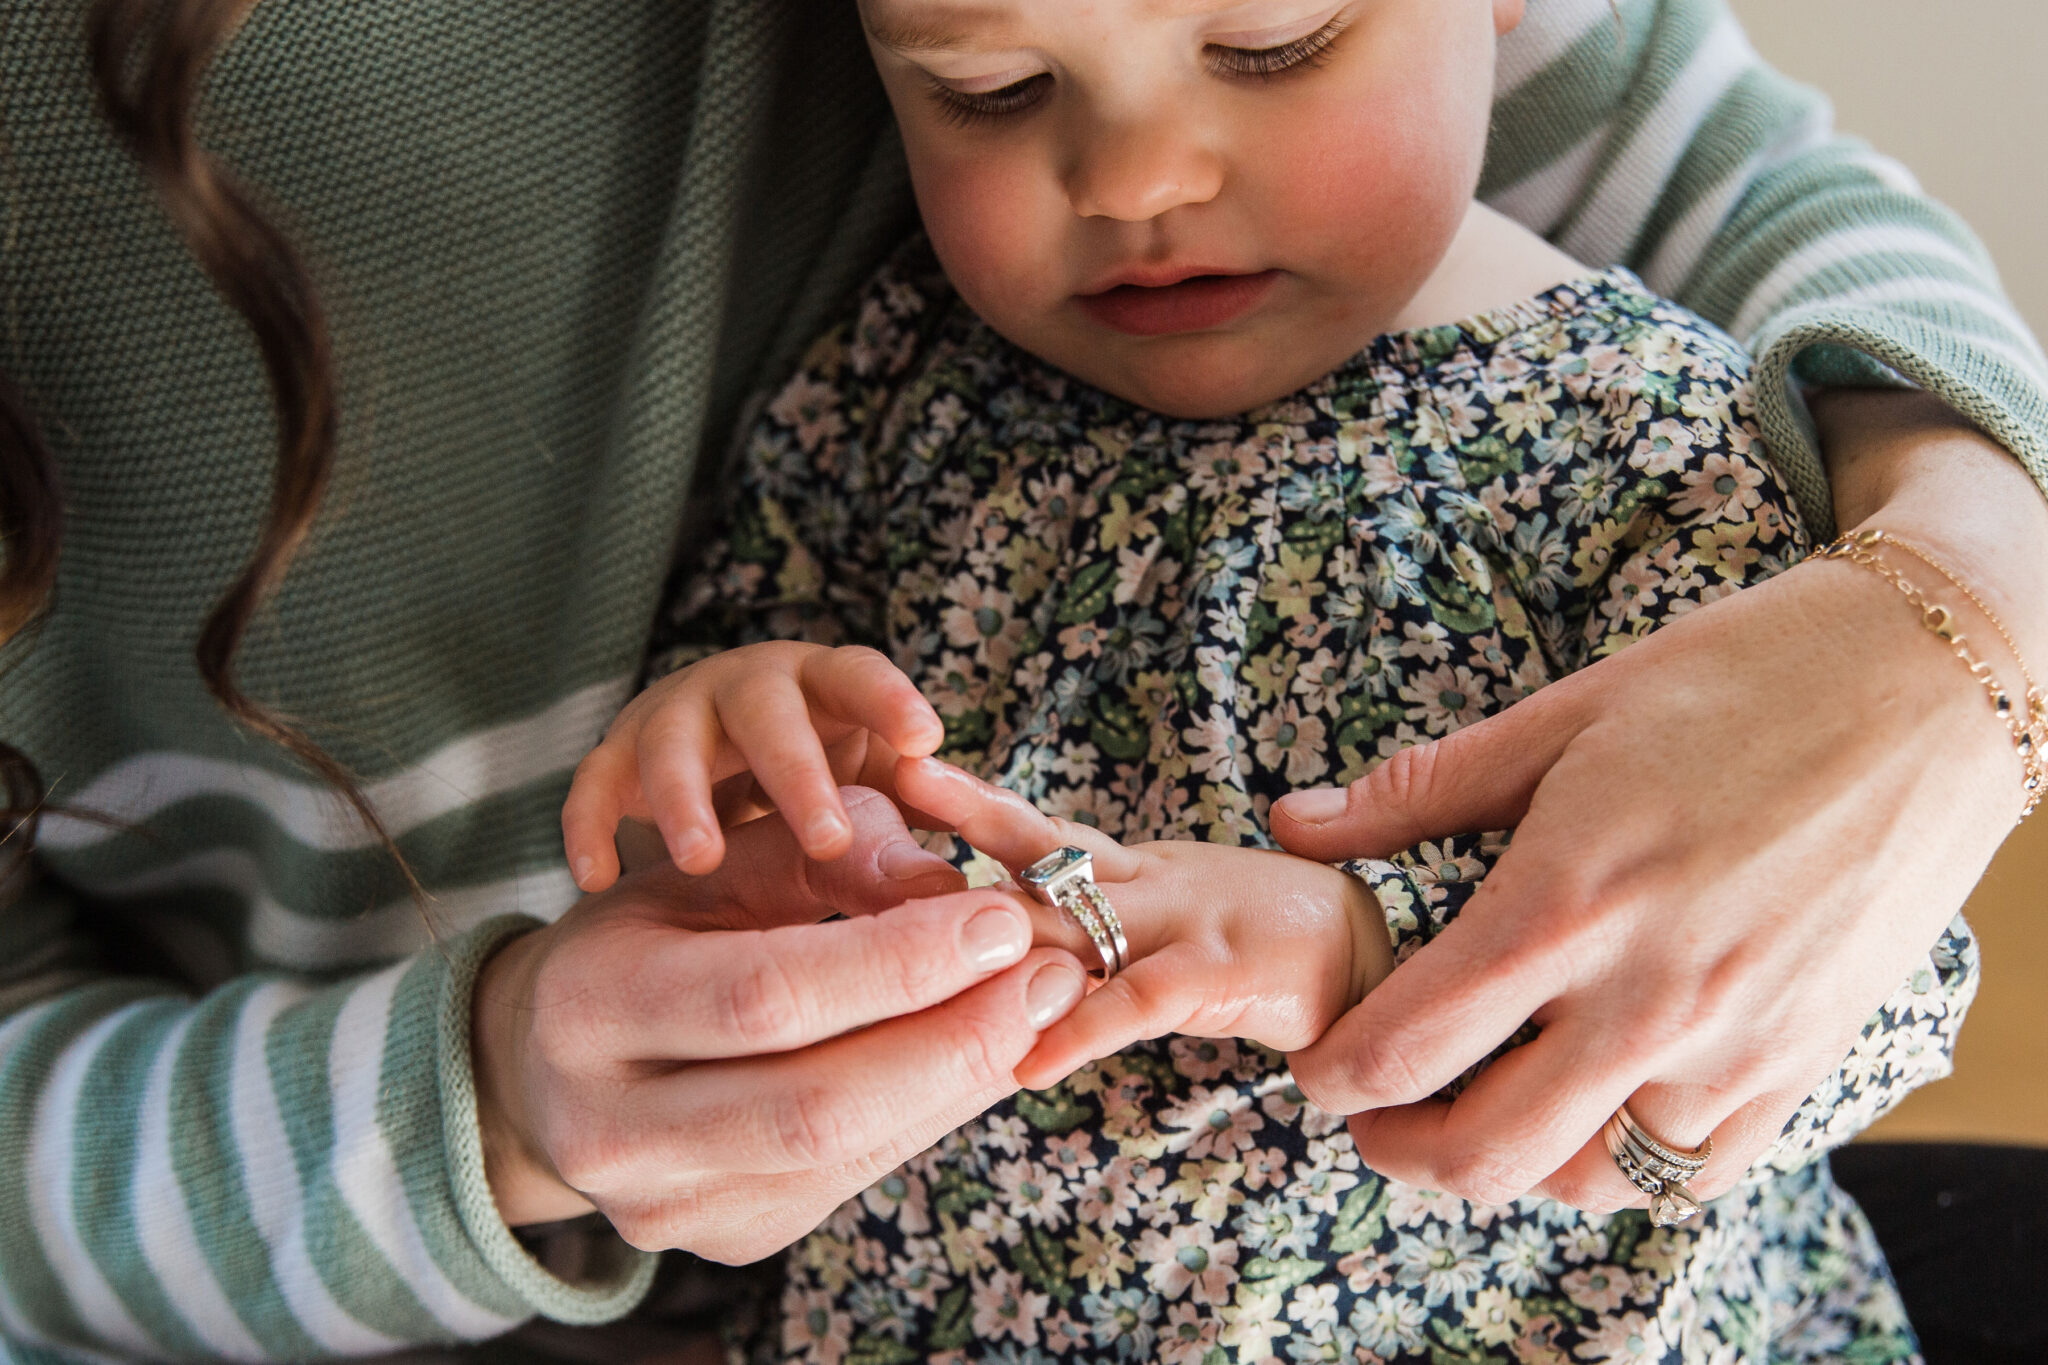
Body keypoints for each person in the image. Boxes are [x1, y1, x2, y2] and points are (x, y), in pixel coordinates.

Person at [0, 0, 2042, 1361]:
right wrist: (726, 739)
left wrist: (1363, 950)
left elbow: (1852, 991)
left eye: (1266, 39)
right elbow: (750, 675)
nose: (1138, 175)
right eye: (981, 90)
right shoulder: (885, 396)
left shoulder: (1649, 420)